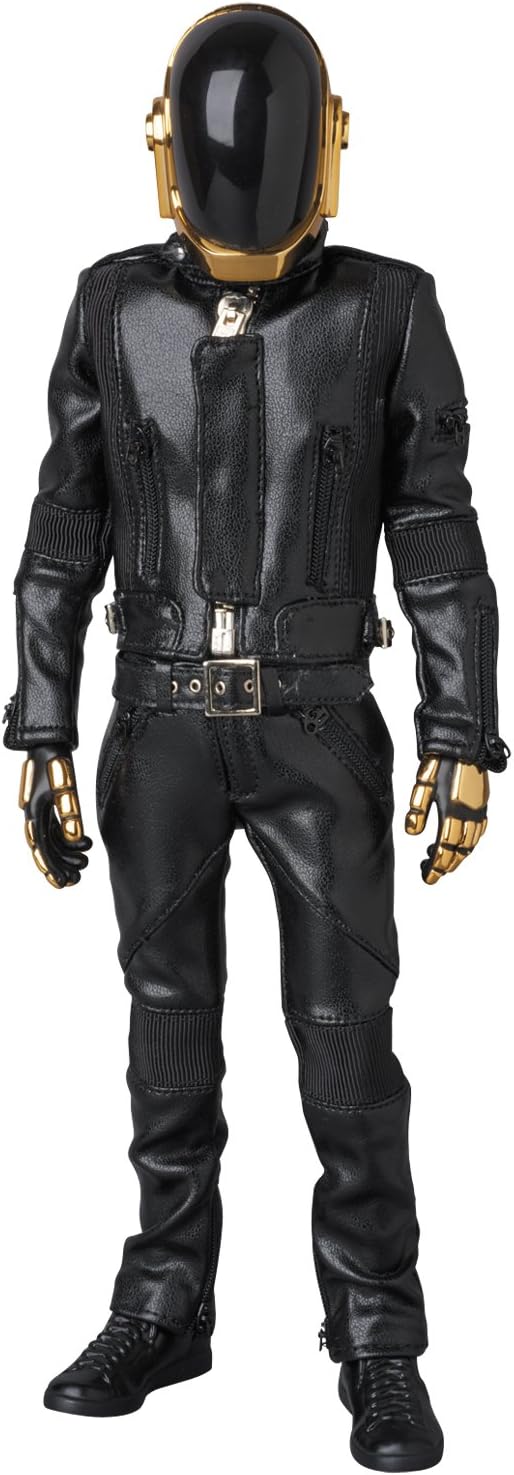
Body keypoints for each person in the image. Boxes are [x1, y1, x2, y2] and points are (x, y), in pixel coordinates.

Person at [4, 7, 508, 1468]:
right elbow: (62, 529)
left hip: (318, 728)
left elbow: (435, 530)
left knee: (347, 1045)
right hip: (157, 721)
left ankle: (378, 1337)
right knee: (166, 1031)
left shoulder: (388, 308)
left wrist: (461, 725)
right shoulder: (111, 306)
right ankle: (165, 1303)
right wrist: (41, 724)